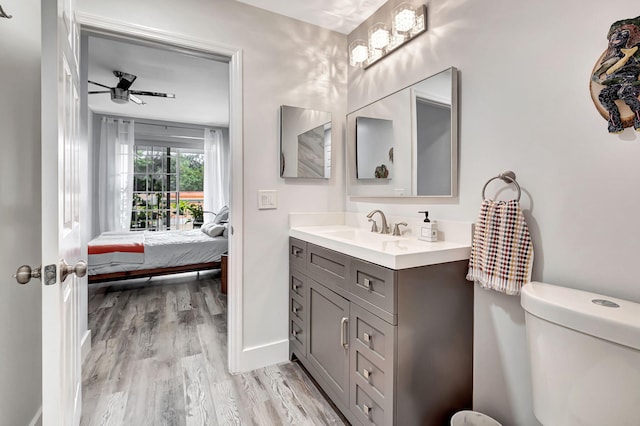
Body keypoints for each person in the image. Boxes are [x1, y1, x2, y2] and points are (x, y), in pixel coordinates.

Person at [592, 16, 640, 133]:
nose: (616, 37)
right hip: (614, 84)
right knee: (604, 95)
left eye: (622, 33)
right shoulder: (614, 57)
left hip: (629, 83)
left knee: (624, 92)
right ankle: (615, 123)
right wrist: (601, 81)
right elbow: (596, 75)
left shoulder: (635, 54)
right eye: (615, 34)